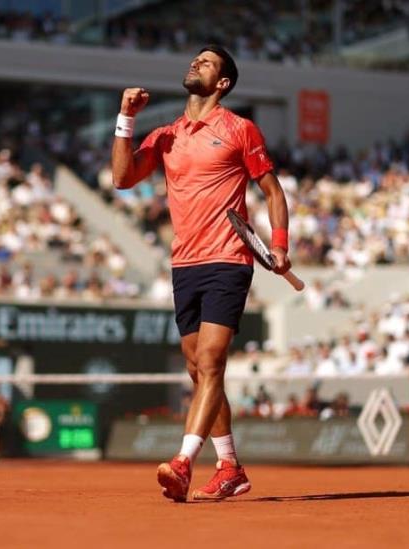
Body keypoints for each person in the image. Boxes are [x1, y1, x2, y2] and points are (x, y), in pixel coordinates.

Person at [112, 45, 291, 502]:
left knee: (211, 363)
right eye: (195, 59)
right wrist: (125, 119)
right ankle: (230, 466)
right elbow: (121, 177)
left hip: (228, 259)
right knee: (198, 371)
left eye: (206, 63)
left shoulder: (239, 129)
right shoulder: (167, 135)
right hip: (184, 264)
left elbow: (272, 191)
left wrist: (279, 244)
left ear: (223, 83)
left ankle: (183, 462)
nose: (195, 64)